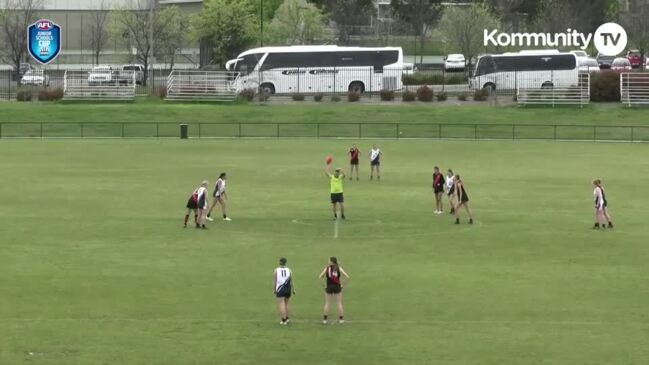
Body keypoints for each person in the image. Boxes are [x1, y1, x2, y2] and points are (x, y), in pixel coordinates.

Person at [319, 257, 350, 324]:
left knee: (327, 303)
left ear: (332, 262)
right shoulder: (339, 268)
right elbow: (347, 277)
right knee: (339, 303)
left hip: (329, 287)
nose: (328, 261)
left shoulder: (327, 268)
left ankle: (325, 320)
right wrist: (342, 286)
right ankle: (341, 319)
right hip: (337, 287)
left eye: (329, 260)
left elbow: (320, 277)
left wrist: (324, 286)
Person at [273, 257, 294, 325]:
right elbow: (291, 281)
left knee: (281, 303)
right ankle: (287, 318)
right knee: (287, 303)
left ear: (280, 262)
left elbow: (275, 281)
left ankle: (283, 319)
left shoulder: (276, 270)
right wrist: (293, 289)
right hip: (288, 288)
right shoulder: (289, 270)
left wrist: (274, 290)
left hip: (280, 289)